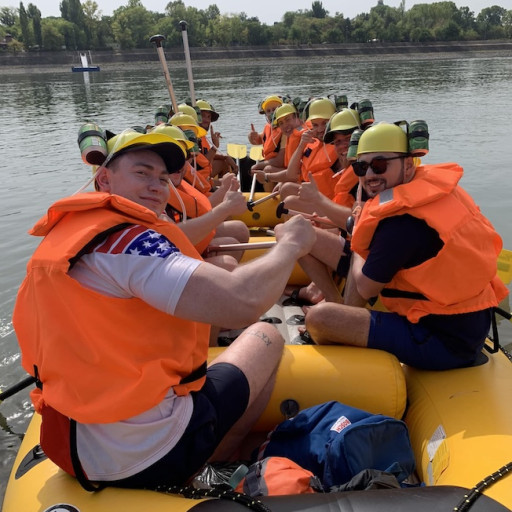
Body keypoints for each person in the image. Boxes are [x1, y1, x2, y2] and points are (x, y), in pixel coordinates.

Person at [13, 130, 316, 490]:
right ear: (104, 178)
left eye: (161, 178)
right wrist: (291, 245)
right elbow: (242, 302)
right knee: (265, 334)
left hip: (70, 446)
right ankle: (215, 463)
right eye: (142, 173)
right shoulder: (130, 240)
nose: (157, 185)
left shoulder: (65, 238)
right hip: (149, 453)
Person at [304, 121, 508, 371]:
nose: (369, 175)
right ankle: (342, 313)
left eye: (379, 165)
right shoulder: (426, 197)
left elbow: (366, 287)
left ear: (408, 165)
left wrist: (358, 233)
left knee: (320, 318)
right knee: (305, 237)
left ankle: (345, 342)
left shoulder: (402, 223)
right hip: (458, 320)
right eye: (361, 166)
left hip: (443, 339)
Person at [196, 99, 238, 179]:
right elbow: (201, 164)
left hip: (204, 175)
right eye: (203, 116)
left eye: (209, 117)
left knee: (223, 162)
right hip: (197, 179)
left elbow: (205, 155)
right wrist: (215, 147)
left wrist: (225, 157)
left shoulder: (202, 136)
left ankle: (224, 187)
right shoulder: (194, 137)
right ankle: (223, 187)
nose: (207, 120)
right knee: (222, 162)